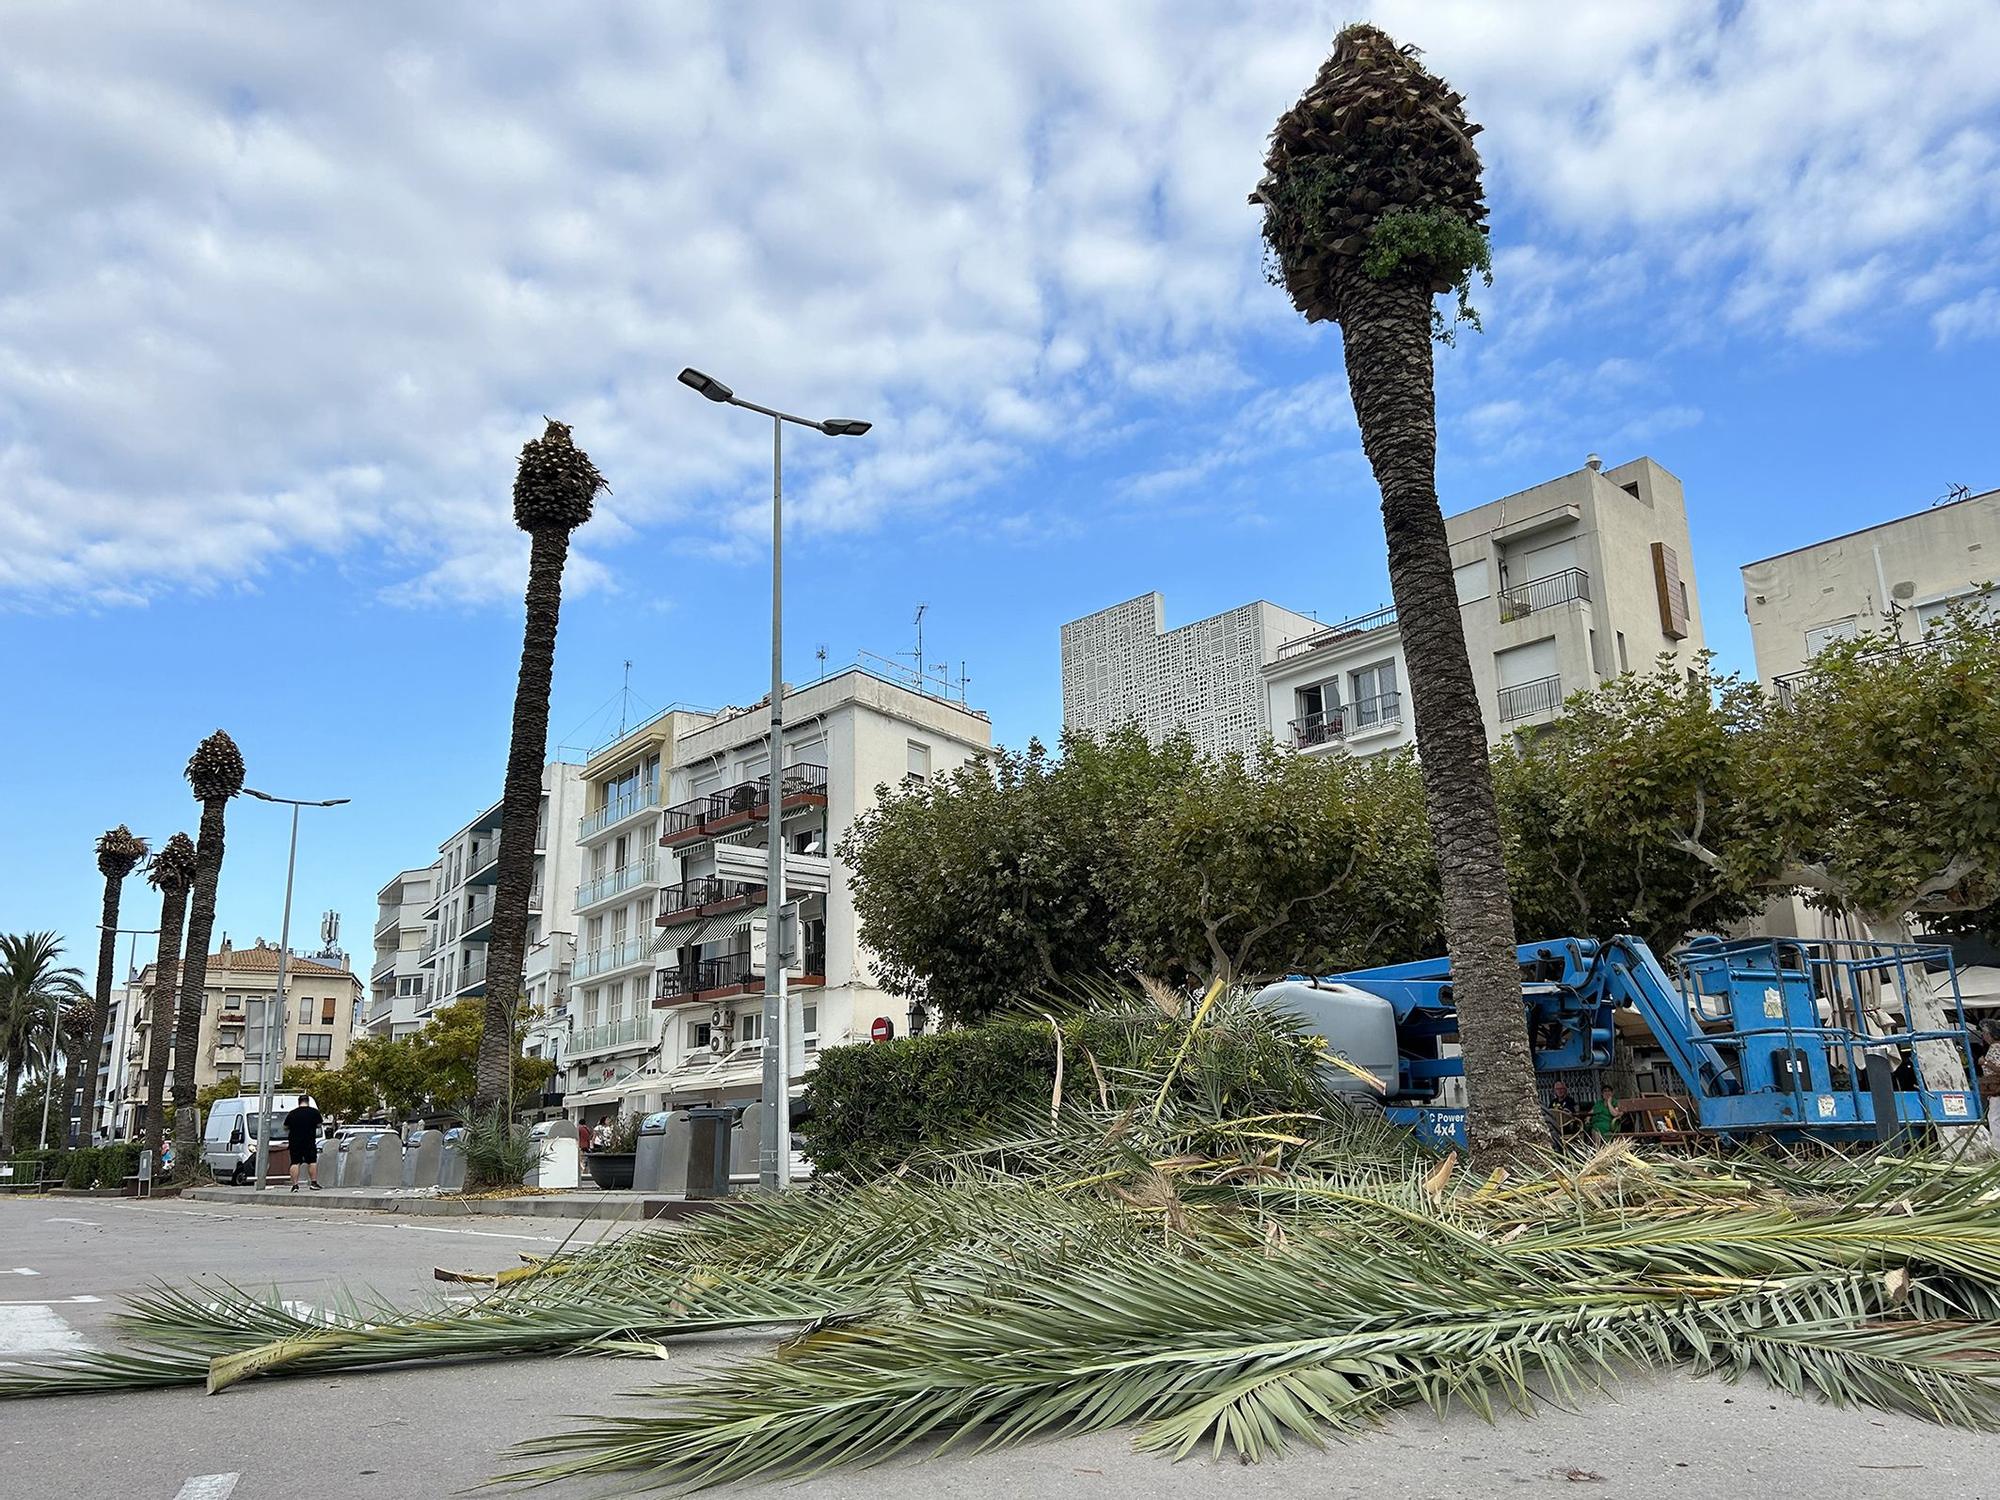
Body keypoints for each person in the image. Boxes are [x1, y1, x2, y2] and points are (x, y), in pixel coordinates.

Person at [284, 1094, 325, 1191]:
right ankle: (313, 1183)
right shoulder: (314, 1112)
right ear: (308, 1102)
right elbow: (319, 1124)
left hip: (295, 1142)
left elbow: (285, 1127)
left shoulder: (292, 1113)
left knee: (295, 1162)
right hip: (309, 1141)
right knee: (312, 1161)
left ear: (299, 1102)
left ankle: (295, 1185)